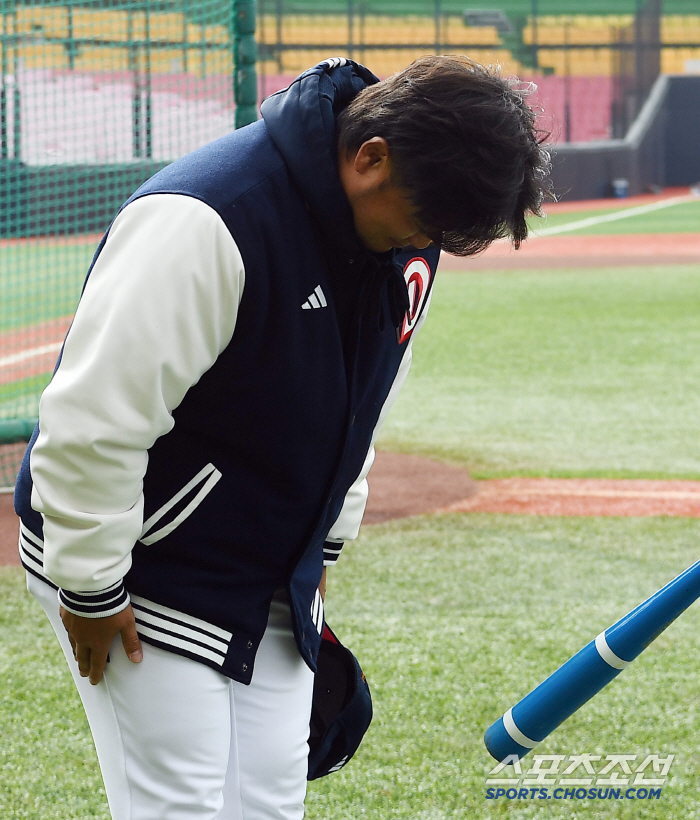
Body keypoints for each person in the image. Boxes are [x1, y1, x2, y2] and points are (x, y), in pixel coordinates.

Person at [14, 55, 549, 819]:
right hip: (148, 563)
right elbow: (94, 420)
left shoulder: (408, 235)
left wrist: (320, 546)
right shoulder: (207, 217)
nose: (425, 244)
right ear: (370, 159)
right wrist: (93, 586)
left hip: (270, 570)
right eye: (425, 223)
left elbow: (365, 391)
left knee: (268, 801)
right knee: (182, 805)